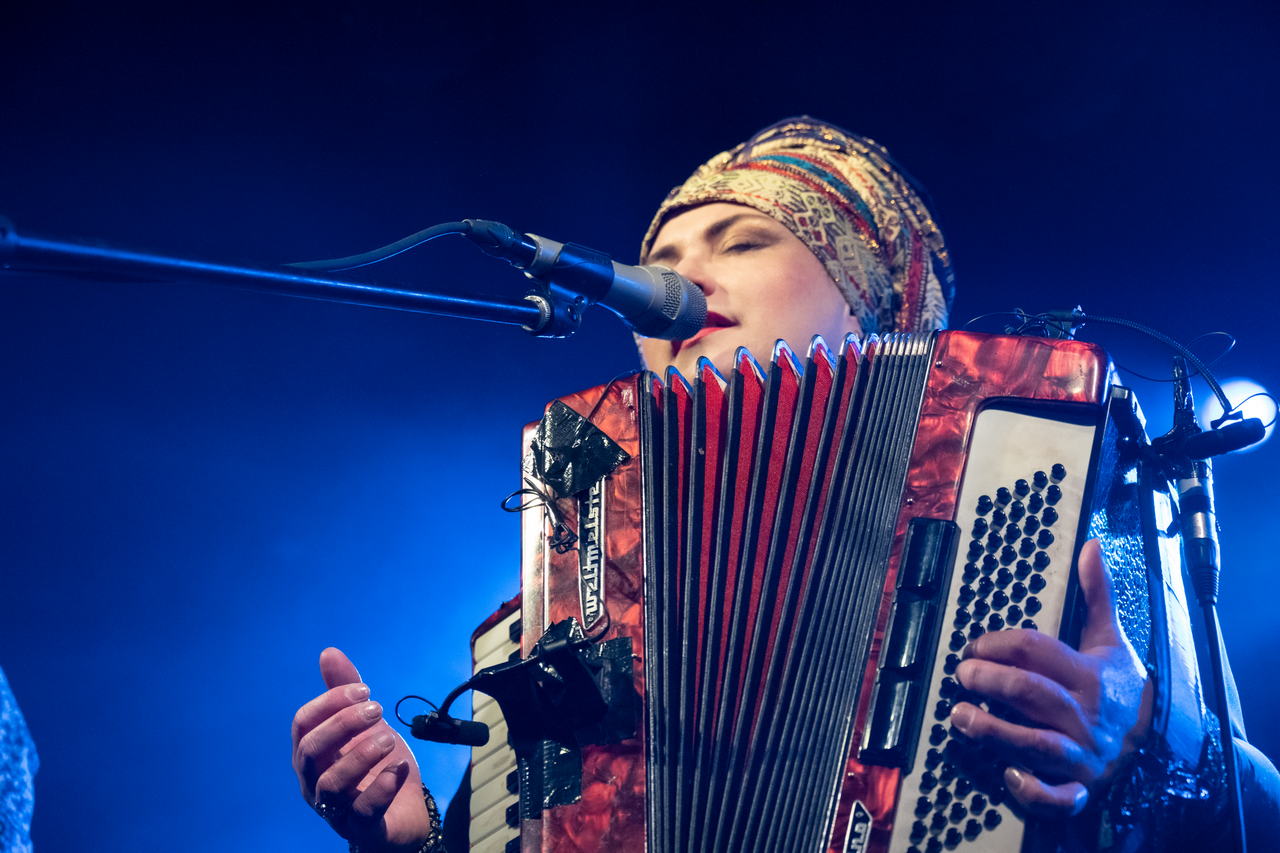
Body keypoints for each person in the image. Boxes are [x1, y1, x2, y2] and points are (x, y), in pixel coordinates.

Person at [290, 118, 1279, 852]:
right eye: (659, 263)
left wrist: (1149, 738)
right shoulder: (578, 571)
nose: (679, 280)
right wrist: (411, 839)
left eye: (740, 241)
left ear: (869, 294)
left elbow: (1254, 811)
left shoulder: (1048, 478)